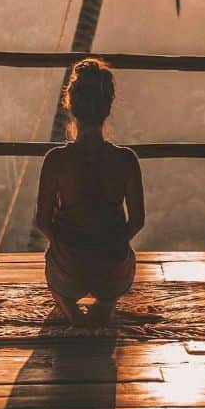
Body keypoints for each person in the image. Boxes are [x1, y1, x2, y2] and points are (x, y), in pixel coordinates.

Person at [35, 58, 145, 332]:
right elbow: (138, 220)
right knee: (112, 271)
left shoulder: (56, 161)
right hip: (111, 268)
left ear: (70, 105)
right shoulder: (126, 160)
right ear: (107, 107)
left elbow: (43, 221)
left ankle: (71, 308)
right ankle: (106, 300)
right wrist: (110, 244)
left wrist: (66, 247)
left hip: (70, 268)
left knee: (59, 277)